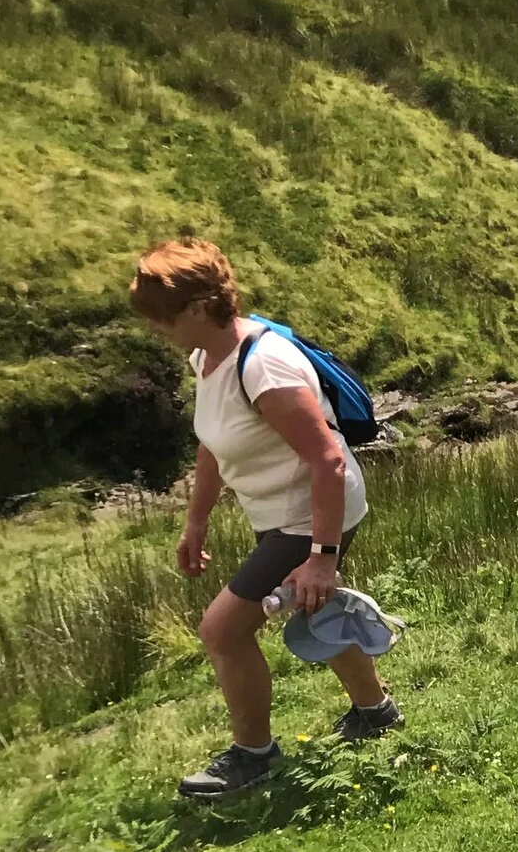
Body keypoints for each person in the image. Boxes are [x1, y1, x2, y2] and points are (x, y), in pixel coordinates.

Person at [129, 238, 397, 800]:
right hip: (282, 513)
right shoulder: (206, 356)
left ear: (199, 309)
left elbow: (325, 458)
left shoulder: (265, 366)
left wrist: (321, 558)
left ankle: (253, 755)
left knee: (222, 630)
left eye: (164, 318)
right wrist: (196, 520)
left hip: (311, 515)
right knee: (310, 607)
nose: (158, 330)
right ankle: (375, 711)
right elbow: (213, 442)